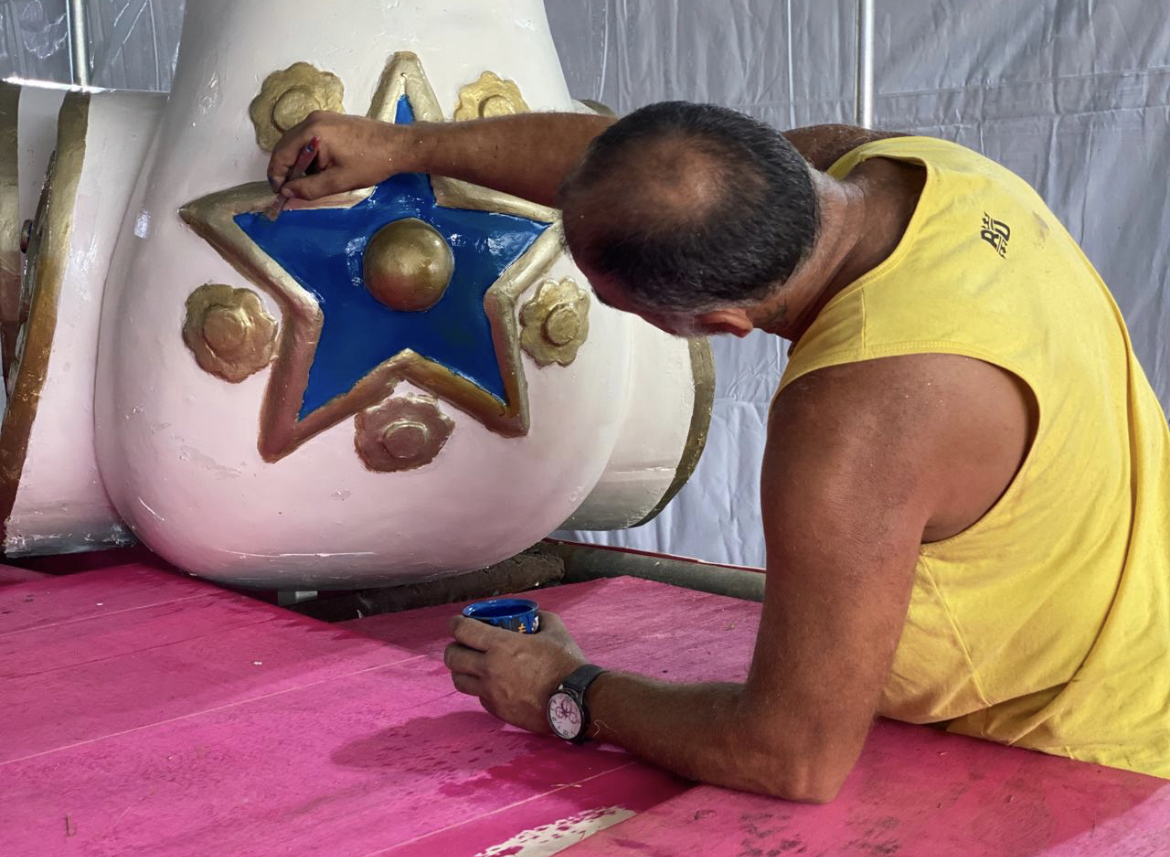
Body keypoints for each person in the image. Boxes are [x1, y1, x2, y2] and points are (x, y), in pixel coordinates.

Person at [268, 101, 1170, 800]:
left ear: (723, 326)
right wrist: (409, 147)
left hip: (1084, 760)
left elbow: (793, 755)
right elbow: (637, 167)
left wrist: (565, 689)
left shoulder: (851, 422)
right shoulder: (927, 174)